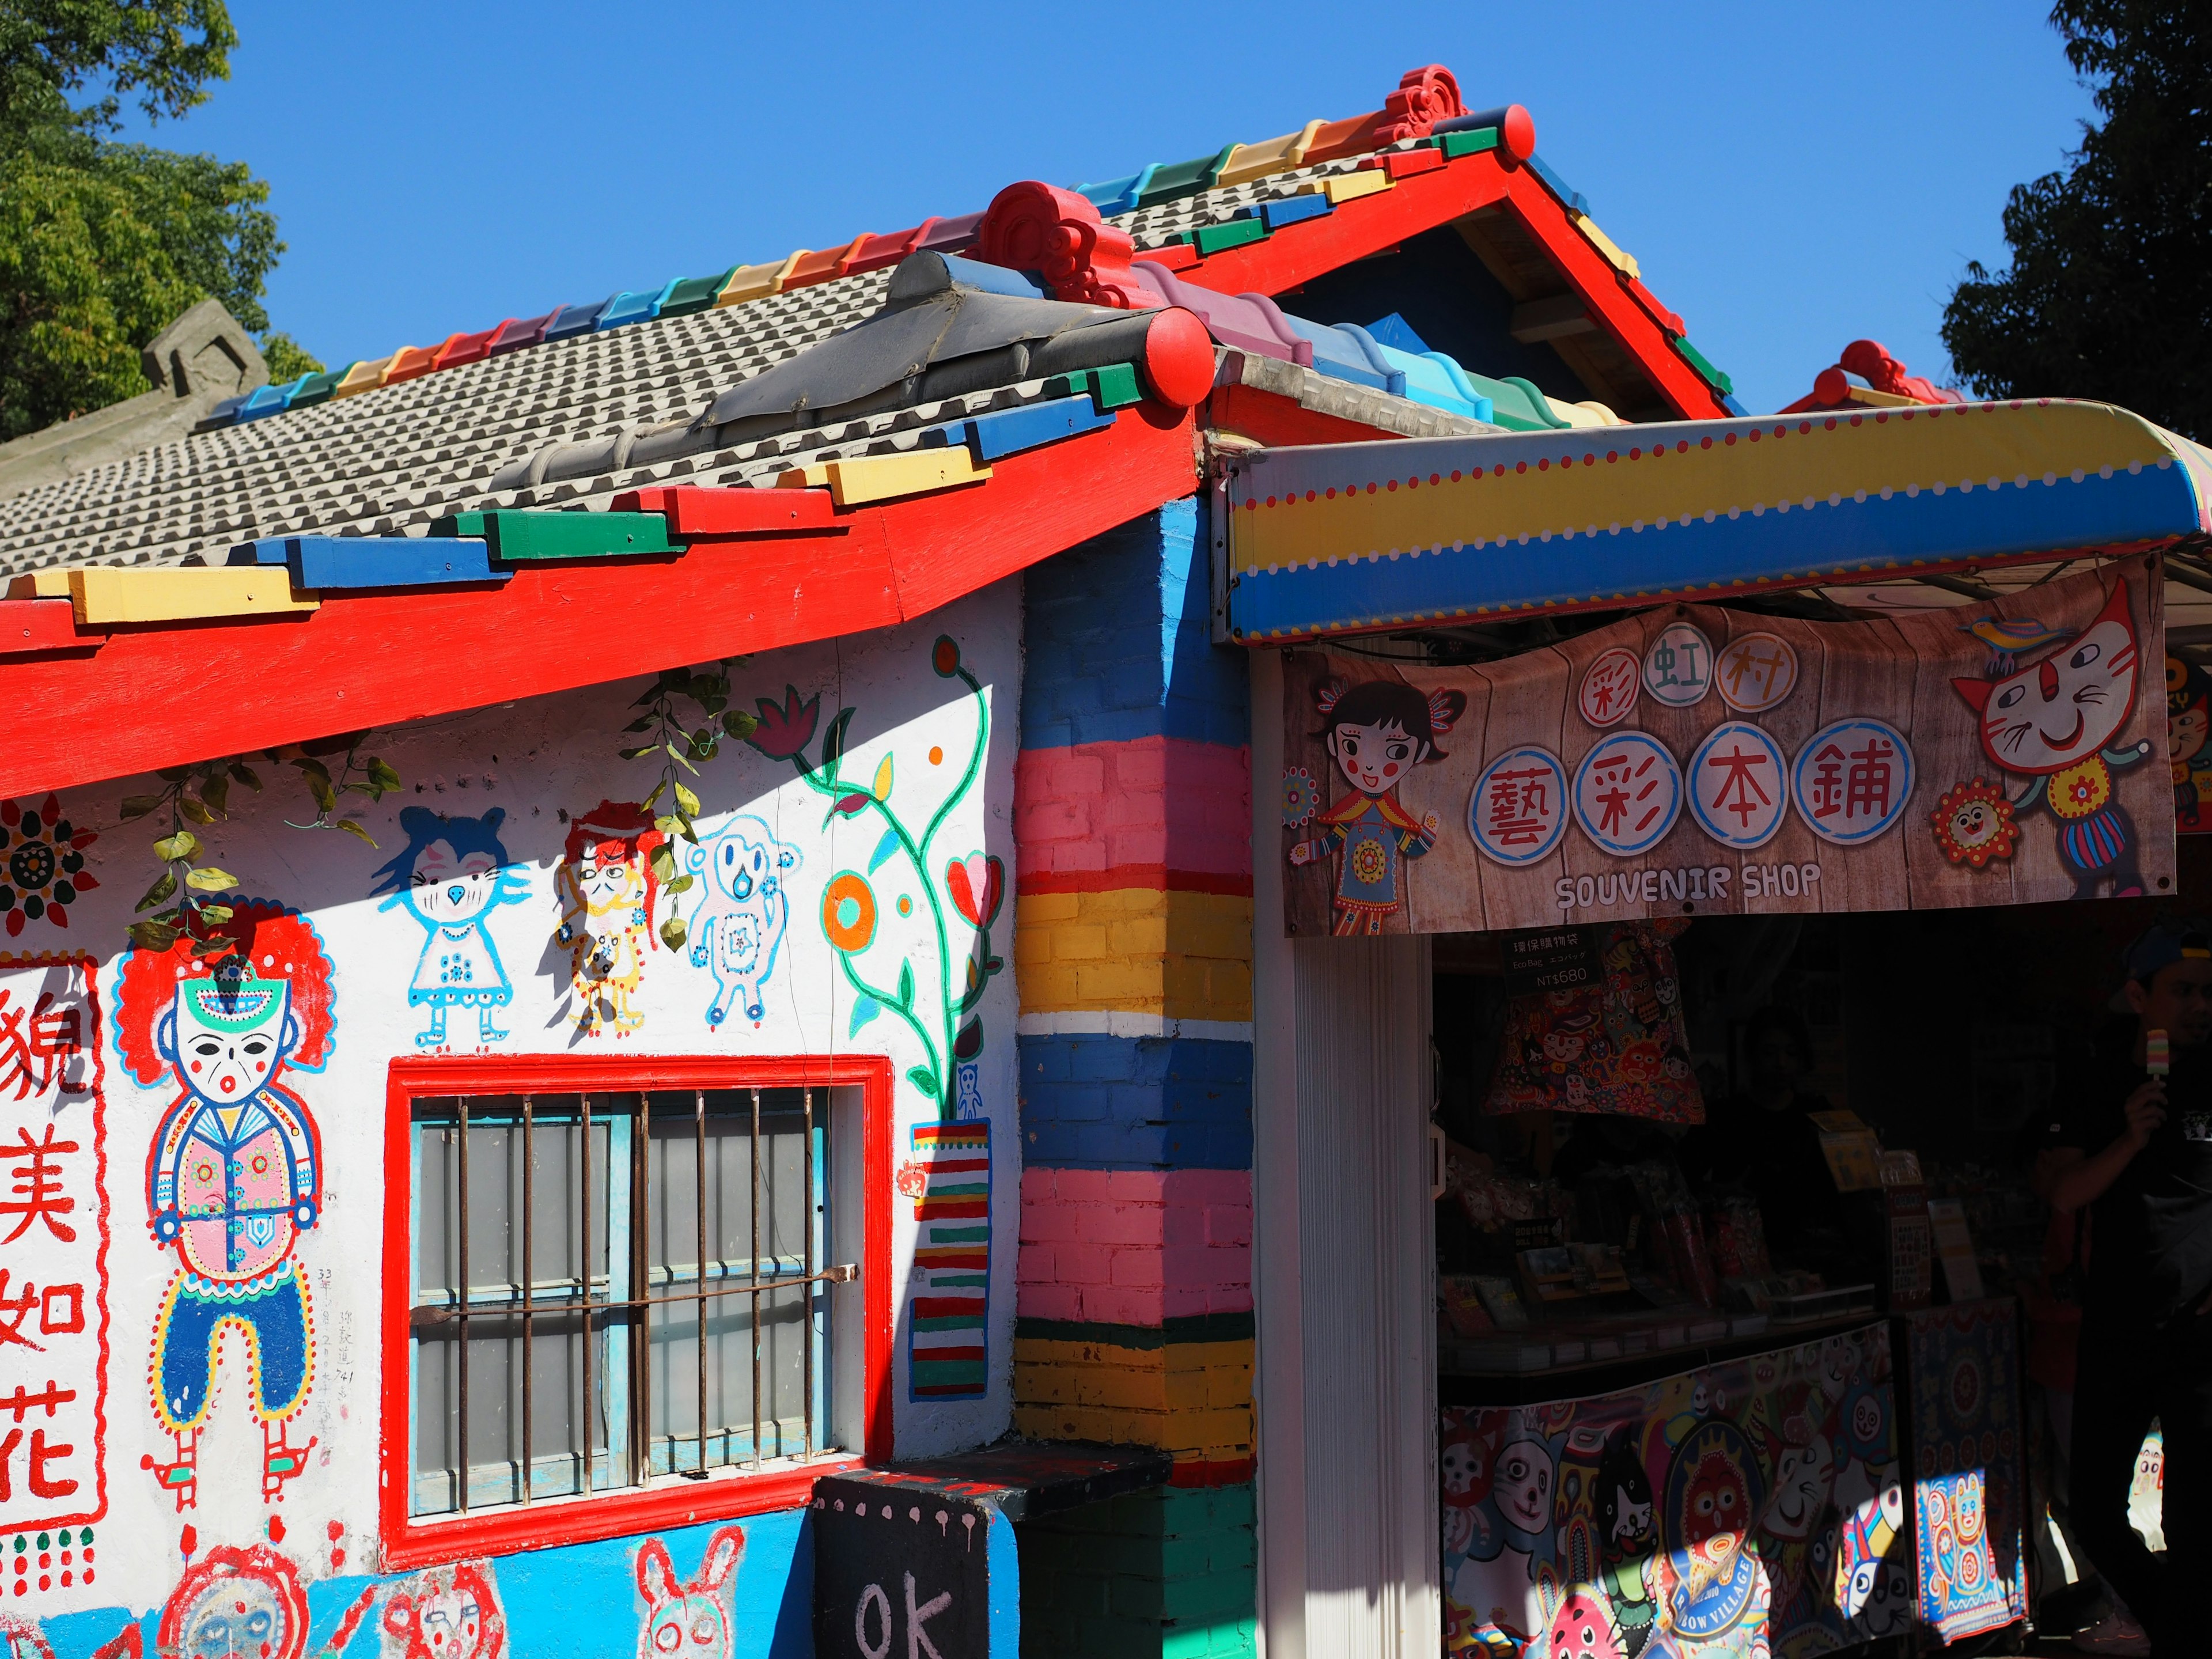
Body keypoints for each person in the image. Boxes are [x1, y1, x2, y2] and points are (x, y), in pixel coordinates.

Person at [2066, 920, 2212, 1659]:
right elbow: (2061, 1194)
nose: (2200, 1006)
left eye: (2208, 992)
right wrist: (2127, 1139)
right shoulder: (2096, 1078)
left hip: (2201, 1334)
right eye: (2182, 991)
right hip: (2118, 1325)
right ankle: (2178, 1631)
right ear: (2137, 995)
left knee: (2194, 1522)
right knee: (2090, 1506)